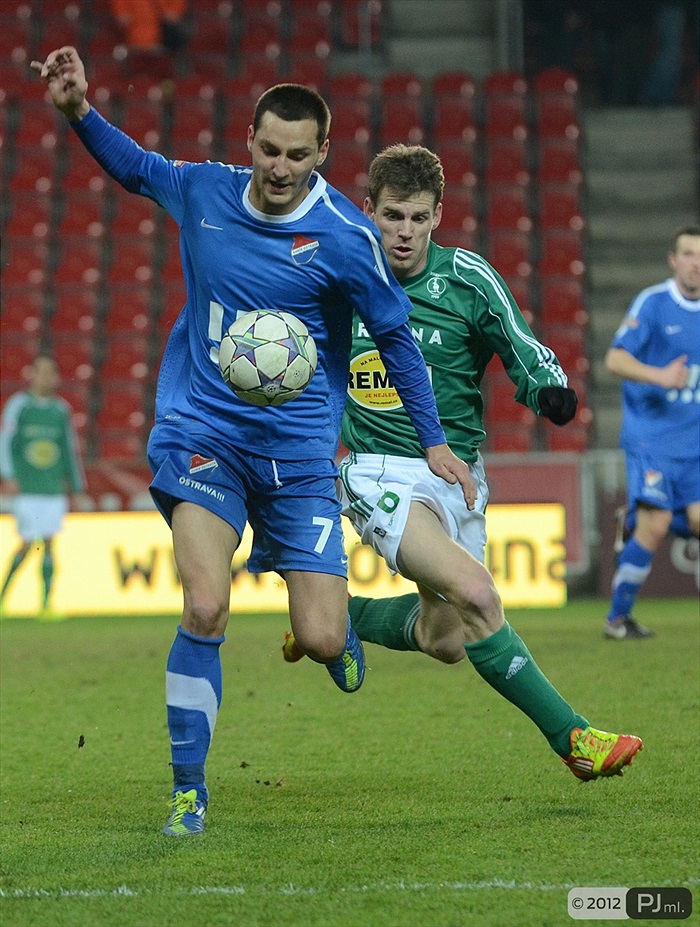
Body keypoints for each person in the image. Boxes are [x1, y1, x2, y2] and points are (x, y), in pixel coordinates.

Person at [31, 47, 475, 837]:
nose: (279, 166)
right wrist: (77, 111)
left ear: (322, 153)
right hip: (205, 435)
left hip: (300, 457)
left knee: (322, 635)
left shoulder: (347, 236)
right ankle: (188, 791)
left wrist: (433, 440)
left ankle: (336, 630)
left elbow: (397, 341)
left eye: (297, 155)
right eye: (269, 149)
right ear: (250, 140)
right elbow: (135, 168)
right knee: (205, 604)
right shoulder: (204, 190)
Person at [283, 144, 644, 782]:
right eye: (392, 215)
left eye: (418, 217)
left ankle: (335, 618)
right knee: (479, 593)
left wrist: (546, 388)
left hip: (457, 475)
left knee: (445, 638)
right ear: (369, 211)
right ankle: (575, 739)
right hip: (376, 472)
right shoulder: (340, 281)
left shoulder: (467, 280)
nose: (404, 231)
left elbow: (521, 345)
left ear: (438, 216)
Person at [604, 224, 700, 639]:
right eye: (689, 254)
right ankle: (616, 620)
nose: (696, 264)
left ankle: (635, 520)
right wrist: (659, 376)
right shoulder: (654, 303)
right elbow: (615, 359)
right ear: (673, 260)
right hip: (653, 439)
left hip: (695, 443)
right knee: (656, 524)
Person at [0, 354, 86, 619]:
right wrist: (8, 474)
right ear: (32, 375)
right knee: (27, 544)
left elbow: (69, 449)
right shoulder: (19, 406)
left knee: (49, 544)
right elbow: (5, 441)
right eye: (42, 372)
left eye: (51, 373)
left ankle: (46, 604)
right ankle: (3, 598)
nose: (47, 378)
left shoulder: (60, 410)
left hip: (52, 488)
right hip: (28, 488)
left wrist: (76, 487)